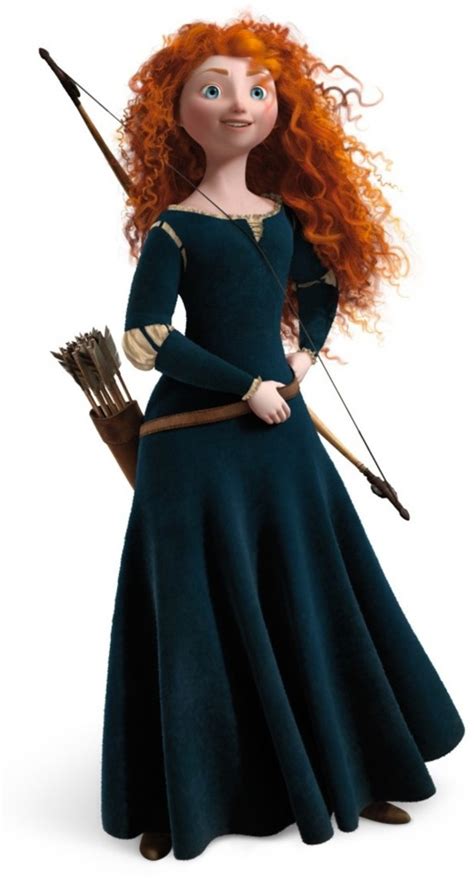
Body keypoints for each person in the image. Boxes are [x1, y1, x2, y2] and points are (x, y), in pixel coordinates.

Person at [100, 17, 465, 862]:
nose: (238, 104)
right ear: (176, 112)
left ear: (280, 108)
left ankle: (348, 768)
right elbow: (146, 339)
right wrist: (246, 385)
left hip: (282, 436)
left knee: (313, 591)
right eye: (213, 89)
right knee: (191, 614)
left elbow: (321, 286)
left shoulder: (282, 219)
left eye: (256, 89)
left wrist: (301, 355)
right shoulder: (174, 230)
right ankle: (178, 797)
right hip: (195, 448)